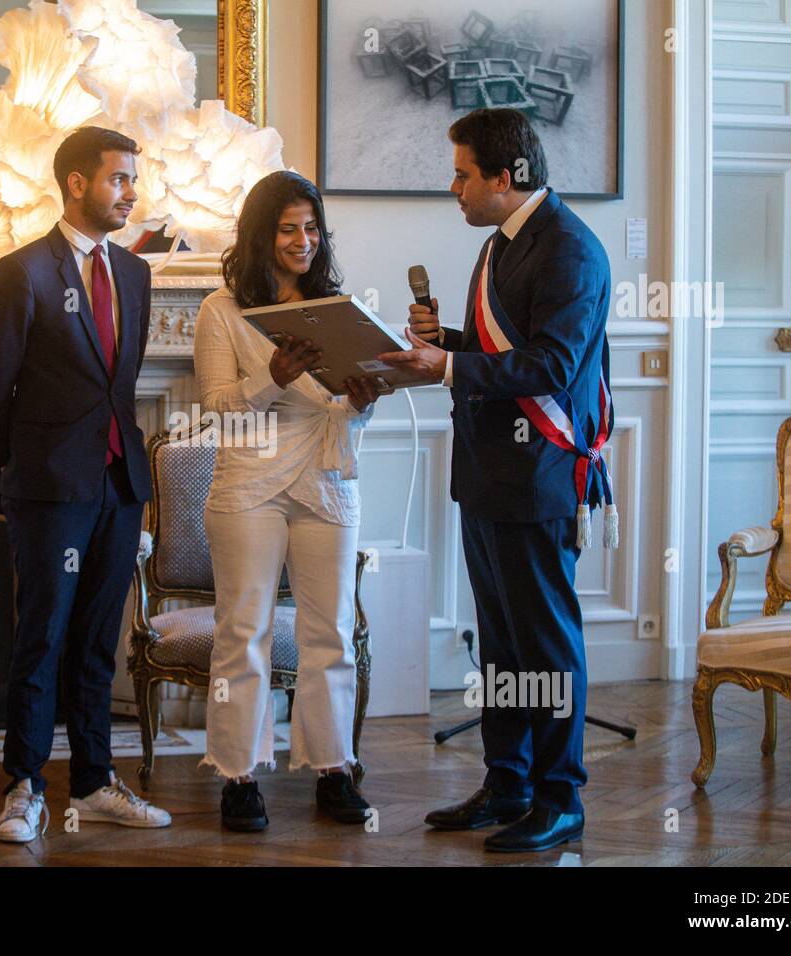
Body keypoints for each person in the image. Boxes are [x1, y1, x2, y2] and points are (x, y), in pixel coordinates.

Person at [379, 108, 614, 853]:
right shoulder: (499, 244)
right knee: (502, 646)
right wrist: (440, 342)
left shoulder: (572, 250)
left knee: (546, 646)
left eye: (461, 174)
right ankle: (508, 781)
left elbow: (552, 367)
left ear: (503, 178)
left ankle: (559, 796)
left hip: (538, 477)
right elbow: (496, 351)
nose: (454, 188)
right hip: (488, 476)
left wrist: (446, 365)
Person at [0, 126, 172, 844]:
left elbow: (123, 384)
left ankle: (93, 779)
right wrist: (19, 468)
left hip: (120, 483)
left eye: (133, 180)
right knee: (43, 638)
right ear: (77, 183)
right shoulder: (23, 272)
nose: (131, 192)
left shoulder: (138, 275)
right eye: (119, 179)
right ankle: (23, 787)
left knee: (96, 643)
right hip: (48, 488)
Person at [194, 170, 386, 832]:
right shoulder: (222, 310)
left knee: (328, 629)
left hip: (326, 481)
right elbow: (219, 412)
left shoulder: (338, 309)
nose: (303, 240)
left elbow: (343, 414)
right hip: (248, 485)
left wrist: (361, 402)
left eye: (311, 228)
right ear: (260, 235)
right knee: (242, 630)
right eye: (288, 229)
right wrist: (269, 379)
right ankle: (238, 775)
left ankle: (334, 770)